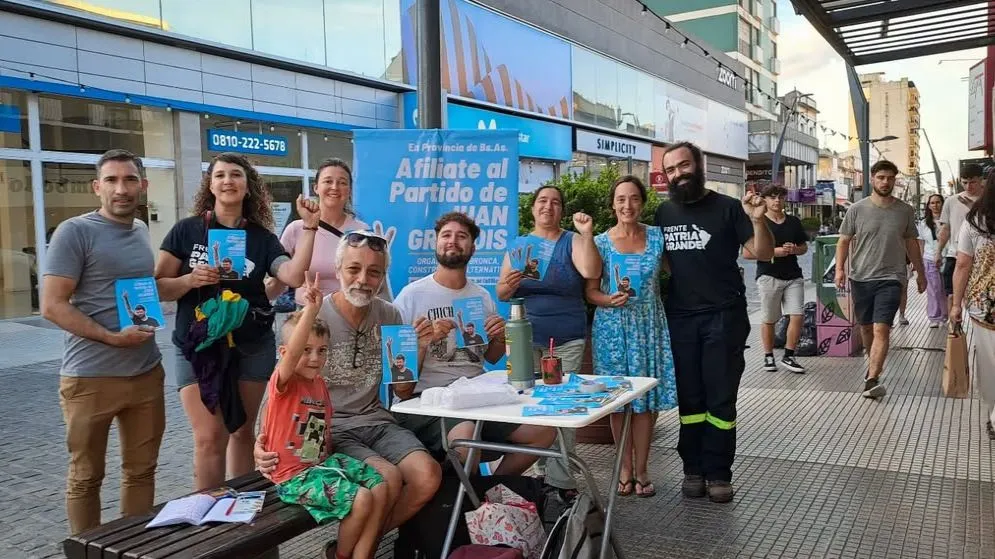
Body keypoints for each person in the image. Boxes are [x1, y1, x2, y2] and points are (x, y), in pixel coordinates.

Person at [256, 231, 442, 537]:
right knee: (389, 479)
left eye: (374, 272)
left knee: (428, 476)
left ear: (383, 277)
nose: (363, 280)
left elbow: (402, 391)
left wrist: (418, 348)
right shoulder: (313, 317)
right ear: (338, 269)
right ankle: (358, 548)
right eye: (354, 269)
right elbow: (280, 383)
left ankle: (356, 545)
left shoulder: (391, 315)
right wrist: (258, 442)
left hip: (378, 421)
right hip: (330, 429)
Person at [156, 152, 318, 491]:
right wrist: (189, 280)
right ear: (210, 185)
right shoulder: (186, 231)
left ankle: (241, 512)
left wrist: (310, 228)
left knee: (242, 431)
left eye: (236, 175)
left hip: (251, 344)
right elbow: (157, 287)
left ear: (248, 187)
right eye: (220, 175)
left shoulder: (260, 237)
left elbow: (292, 274)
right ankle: (208, 515)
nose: (227, 181)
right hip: (198, 346)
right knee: (209, 436)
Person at [41, 149, 166, 534]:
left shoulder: (141, 230)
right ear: (97, 187)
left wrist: (193, 281)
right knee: (85, 476)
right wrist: (111, 338)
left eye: (130, 180)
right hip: (90, 377)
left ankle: (132, 549)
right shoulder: (74, 232)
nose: (121, 189)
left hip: (145, 373)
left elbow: (148, 291)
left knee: (141, 472)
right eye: (111, 180)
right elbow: (52, 305)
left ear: (142, 186)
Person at [655, 142, 774, 503]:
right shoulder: (663, 213)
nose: (678, 174)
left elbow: (764, 253)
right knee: (691, 399)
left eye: (683, 166)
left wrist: (757, 218)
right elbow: (660, 263)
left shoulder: (728, 208)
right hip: (681, 319)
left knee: (721, 400)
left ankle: (720, 472)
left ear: (699, 165)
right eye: (671, 170)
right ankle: (693, 468)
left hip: (724, 317)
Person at [398, 212, 556, 476]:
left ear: (472, 247)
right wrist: (422, 343)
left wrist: (500, 337)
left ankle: (487, 496)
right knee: (467, 436)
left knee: (543, 433)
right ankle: (458, 509)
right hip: (428, 401)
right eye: (446, 235)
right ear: (436, 243)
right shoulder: (410, 297)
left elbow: (491, 358)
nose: (452, 241)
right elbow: (401, 388)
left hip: (477, 396)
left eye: (462, 236)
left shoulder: (481, 296)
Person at [262, 275, 388, 559]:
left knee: (380, 485)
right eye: (306, 351)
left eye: (321, 350)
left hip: (319, 464)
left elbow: (317, 429)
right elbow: (293, 354)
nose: (315, 358)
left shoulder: (318, 383)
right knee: (362, 498)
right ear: (286, 354)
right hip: (292, 476)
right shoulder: (285, 382)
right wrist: (311, 310)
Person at [497, 186, 601, 496]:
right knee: (529, 403)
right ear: (532, 209)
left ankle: (561, 480)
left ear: (562, 210)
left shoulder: (572, 240)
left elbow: (590, 270)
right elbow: (502, 294)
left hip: (565, 337)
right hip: (525, 335)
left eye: (555, 202)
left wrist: (587, 234)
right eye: (543, 201)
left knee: (562, 404)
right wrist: (509, 283)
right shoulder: (519, 245)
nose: (548, 206)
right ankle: (542, 468)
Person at [586, 175, 678, 498]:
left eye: (634, 198)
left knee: (644, 402)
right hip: (612, 328)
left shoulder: (657, 238)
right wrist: (609, 299)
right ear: (613, 204)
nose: (628, 205)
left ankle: (642, 469)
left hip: (648, 325)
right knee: (619, 401)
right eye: (621, 199)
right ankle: (624, 468)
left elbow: (676, 271)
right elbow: (591, 291)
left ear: (643, 202)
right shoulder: (599, 242)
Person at [835, 160, 925, 400]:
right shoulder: (856, 209)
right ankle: (871, 361)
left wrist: (921, 273)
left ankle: (872, 378)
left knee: (881, 327)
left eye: (890, 178)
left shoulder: (905, 210)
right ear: (872, 179)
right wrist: (839, 270)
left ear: (894, 181)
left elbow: (911, 243)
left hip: (892, 277)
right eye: (881, 177)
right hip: (861, 277)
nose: (886, 182)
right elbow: (843, 240)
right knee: (866, 327)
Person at [267, 158, 392, 303]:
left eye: (342, 183)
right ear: (316, 188)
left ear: (349, 190)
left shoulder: (362, 231)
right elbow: (278, 282)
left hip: (350, 317)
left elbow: (374, 282)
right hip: (307, 316)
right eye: (328, 181)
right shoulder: (295, 229)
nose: (335, 187)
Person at [744, 185, 808, 374]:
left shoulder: (793, 222)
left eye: (780, 197)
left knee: (797, 314)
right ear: (764, 200)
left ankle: (789, 355)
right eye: (772, 197)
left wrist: (795, 250)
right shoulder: (758, 221)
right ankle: (768, 355)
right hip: (768, 275)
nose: (776, 201)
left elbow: (804, 246)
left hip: (793, 275)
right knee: (769, 318)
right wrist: (775, 252)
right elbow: (747, 254)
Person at [951, 172, 995, 439]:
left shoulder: (975, 221)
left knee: (990, 361)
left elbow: (963, 265)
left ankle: (994, 415)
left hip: (984, 304)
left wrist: (956, 304)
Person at [939, 164, 984, 310]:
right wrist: (938, 252)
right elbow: (945, 228)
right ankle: (954, 327)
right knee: (952, 295)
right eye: (964, 182)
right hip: (955, 254)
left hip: (981, 256)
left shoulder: (988, 200)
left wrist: (975, 209)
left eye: (972, 182)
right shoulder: (951, 201)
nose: (968, 186)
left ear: (981, 180)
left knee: (978, 294)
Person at [918, 194, 948, 328]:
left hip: (948, 258)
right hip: (929, 259)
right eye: (932, 203)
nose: (935, 205)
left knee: (947, 289)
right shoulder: (924, 223)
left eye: (938, 202)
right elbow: (921, 243)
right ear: (929, 206)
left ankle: (946, 316)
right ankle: (935, 317)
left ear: (943, 203)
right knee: (934, 289)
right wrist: (918, 262)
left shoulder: (948, 220)